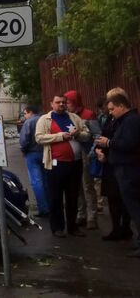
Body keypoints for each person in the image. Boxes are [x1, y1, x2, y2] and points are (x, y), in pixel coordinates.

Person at [36, 93, 92, 237]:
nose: (61, 104)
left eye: (63, 102)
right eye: (58, 102)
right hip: (55, 165)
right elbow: (39, 138)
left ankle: (73, 227)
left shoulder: (74, 118)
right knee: (56, 198)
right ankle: (58, 228)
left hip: (75, 164)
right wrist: (60, 136)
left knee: (73, 197)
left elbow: (87, 135)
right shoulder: (45, 119)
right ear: (51, 104)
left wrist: (78, 133)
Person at [96, 92, 140, 257]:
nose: (111, 112)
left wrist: (108, 143)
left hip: (129, 170)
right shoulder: (123, 120)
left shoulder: (131, 121)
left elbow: (128, 144)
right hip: (123, 168)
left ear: (122, 106)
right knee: (131, 206)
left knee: (135, 208)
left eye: (113, 109)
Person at [64, 90, 99, 230]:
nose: (66, 105)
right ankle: (81, 214)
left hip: (86, 154)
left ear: (75, 102)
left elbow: (97, 135)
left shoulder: (88, 115)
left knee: (87, 186)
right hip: (72, 156)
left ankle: (92, 217)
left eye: (68, 102)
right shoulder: (67, 116)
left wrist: (92, 152)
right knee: (76, 187)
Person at [19, 105, 48, 217]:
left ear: (30, 112)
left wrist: (23, 150)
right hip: (45, 153)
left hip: (32, 154)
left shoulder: (28, 122)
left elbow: (24, 140)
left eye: (25, 113)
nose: (25, 116)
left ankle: (43, 209)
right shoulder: (45, 119)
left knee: (37, 182)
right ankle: (50, 205)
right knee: (46, 181)